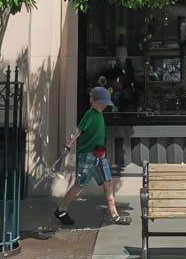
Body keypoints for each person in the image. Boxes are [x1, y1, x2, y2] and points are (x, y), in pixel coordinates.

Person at [53, 86, 130, 227]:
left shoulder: (99, 114)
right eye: (102, 102)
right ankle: (61, 210)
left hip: (100, 153)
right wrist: (68, 145)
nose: (104, 105)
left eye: (105, 103)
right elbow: (78, 131)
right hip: (87, 154)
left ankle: (115, 215)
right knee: (80, 183)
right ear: (93, 101)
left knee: (107, 181)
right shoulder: (90, 114)